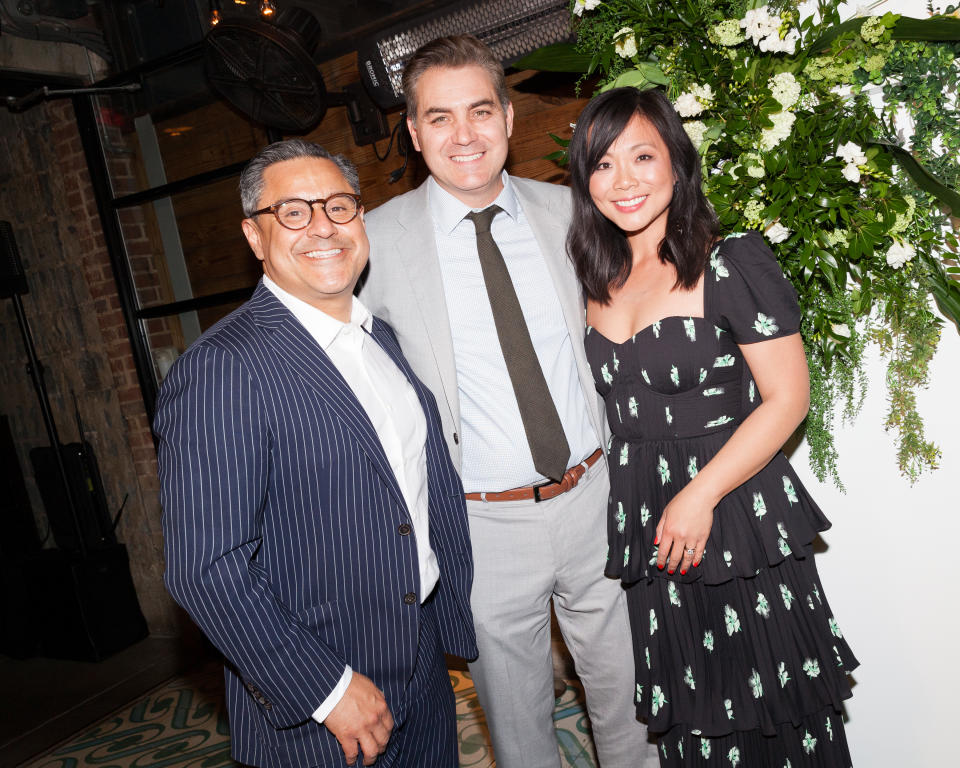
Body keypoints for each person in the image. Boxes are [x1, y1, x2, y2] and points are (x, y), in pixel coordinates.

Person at [360, 35, 658, 768]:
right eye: (439, 118)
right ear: (412, 130)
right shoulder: (374, 243)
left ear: (508, 115)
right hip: (480, 525)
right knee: (519, 728)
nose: (464, 135)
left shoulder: (574, 213)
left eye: (479, 111)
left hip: (595, 496)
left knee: (632, 704)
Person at [155, 139, 476, 768]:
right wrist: (324, 690)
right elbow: (204, 568)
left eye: (339, 206)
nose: (324, 227)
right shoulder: (224, 369)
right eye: (294, 212)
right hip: (323, 703)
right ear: (254, 236)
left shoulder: (377, 337)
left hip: (419, 662)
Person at [567, 86, 858, 765]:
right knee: (696, 726)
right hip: (649, 529)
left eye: (642, 156)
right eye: (602, 164)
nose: (624, 180)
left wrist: (700, 495)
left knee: (777, 720)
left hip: (735, 519)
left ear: (677, 161)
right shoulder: (593, 279)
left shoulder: (731, 260)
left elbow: (787, 398)